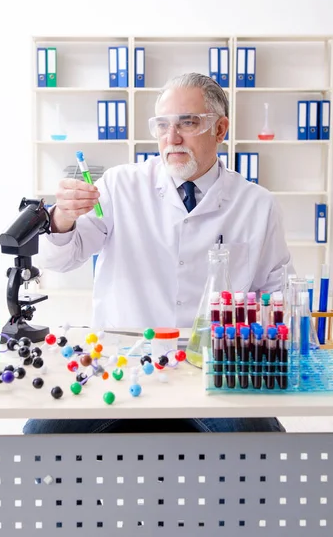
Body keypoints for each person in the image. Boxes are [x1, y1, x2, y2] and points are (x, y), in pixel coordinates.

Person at [24, 72, 290, 435]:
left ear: (220, 129)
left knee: (262, 445)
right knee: (42, 437)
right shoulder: (120, 185)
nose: (172, 137)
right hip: (121, 359)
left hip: (213, 366)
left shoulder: (258, 205)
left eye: (188, 122)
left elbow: (275, 295)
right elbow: (61, 260)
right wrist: (63, 217)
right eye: (162, 125)